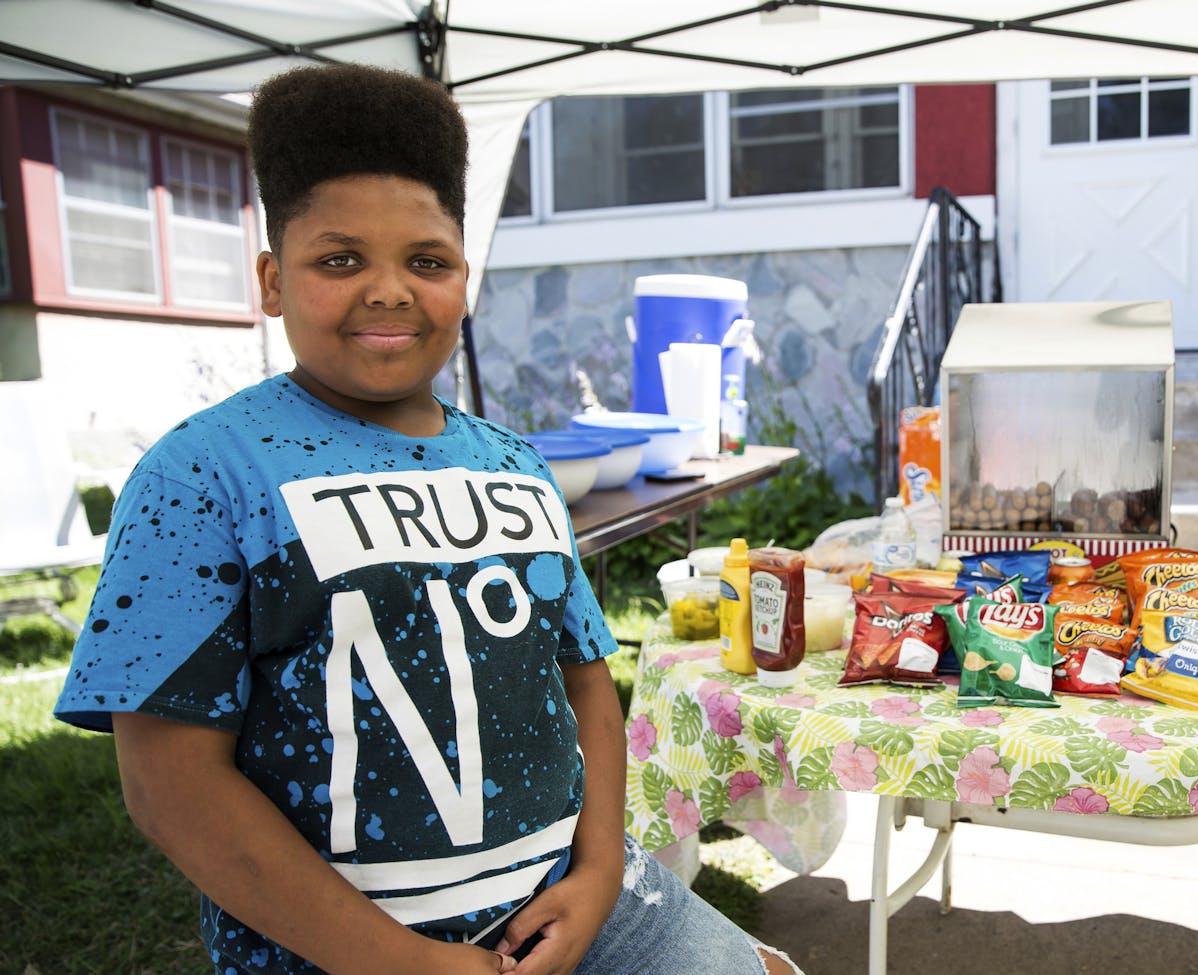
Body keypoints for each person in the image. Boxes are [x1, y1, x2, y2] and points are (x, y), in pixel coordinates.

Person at [53, 62, 801, 975]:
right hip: (336, 954)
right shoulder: (204, 474)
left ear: (464, 276)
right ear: (272, 279)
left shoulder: (519, 466)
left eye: (426, 260)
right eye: (338, 259)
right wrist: (397, 961)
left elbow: (584, 681)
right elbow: (169, 785)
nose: (388, 290)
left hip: (585, 906)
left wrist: (601, 868)